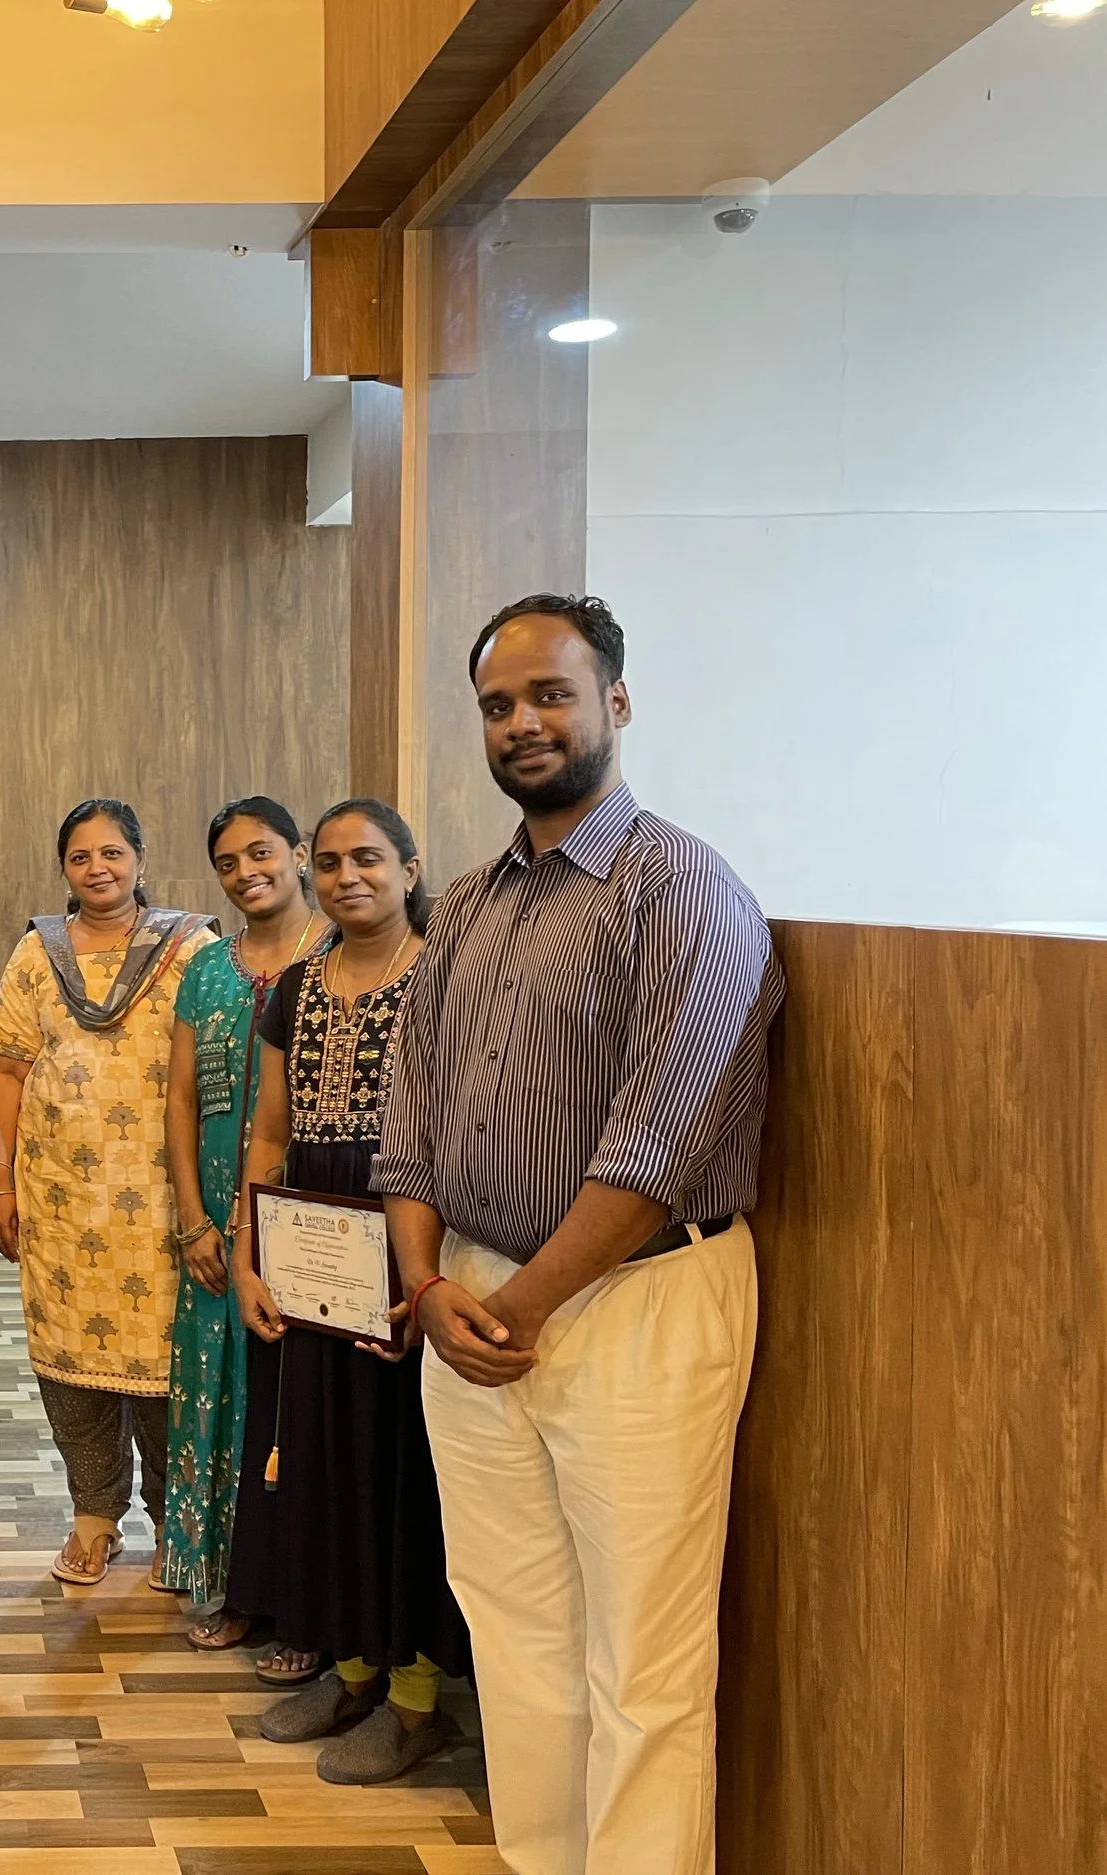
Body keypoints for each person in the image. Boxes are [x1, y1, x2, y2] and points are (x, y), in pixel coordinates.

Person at [373, 595, 783, 1875]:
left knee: (641, 1661)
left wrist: (512, 1309)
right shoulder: (467, 904)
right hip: (469, 1302)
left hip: (636, 1306)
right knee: (513, 1635)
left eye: (549, 694)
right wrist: (426, 1284)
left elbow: (656, 1151)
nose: (521, 723)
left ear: (614, 701)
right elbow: (409, 1117)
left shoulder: (684, 890)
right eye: (497, 705)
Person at [221, 799, 472, 1785]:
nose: (345, 877)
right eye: (327, 862)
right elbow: (269, 1134)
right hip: (310, 1256)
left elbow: (463, 1132)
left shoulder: (447, 977)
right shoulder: (295, 988)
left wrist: (428, 1273)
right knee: (324, 1463)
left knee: (405, 1471)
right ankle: (353, 1669)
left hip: (410, 1248)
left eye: (367, 858)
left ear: (409, 868)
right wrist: (248, 1258)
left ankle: (415, 1702)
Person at [0, 799, 215, 1588]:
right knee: (72, 1361)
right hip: (62, 1197)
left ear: (141, 858)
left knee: (163, 1363)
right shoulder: (37, 952)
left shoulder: (190, 948)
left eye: (112, 852)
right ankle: (93, 1514)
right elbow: (6, 1066)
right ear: (65, 868)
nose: (98, 868)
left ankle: (174, 1518)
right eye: (81, 857)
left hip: (164, 1196)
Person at [160, 796, 328, 1635]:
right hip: (214, 1230)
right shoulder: (206, 968)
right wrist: (192, 1219)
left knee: (290, 1401)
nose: (245, 872)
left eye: (260, 852)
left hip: (313, 1220)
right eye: (227, 863)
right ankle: (224, 1582)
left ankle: (295, 1596)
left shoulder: (339, 954)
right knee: (215, 1393)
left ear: (298, 852)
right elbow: (181, 1100)